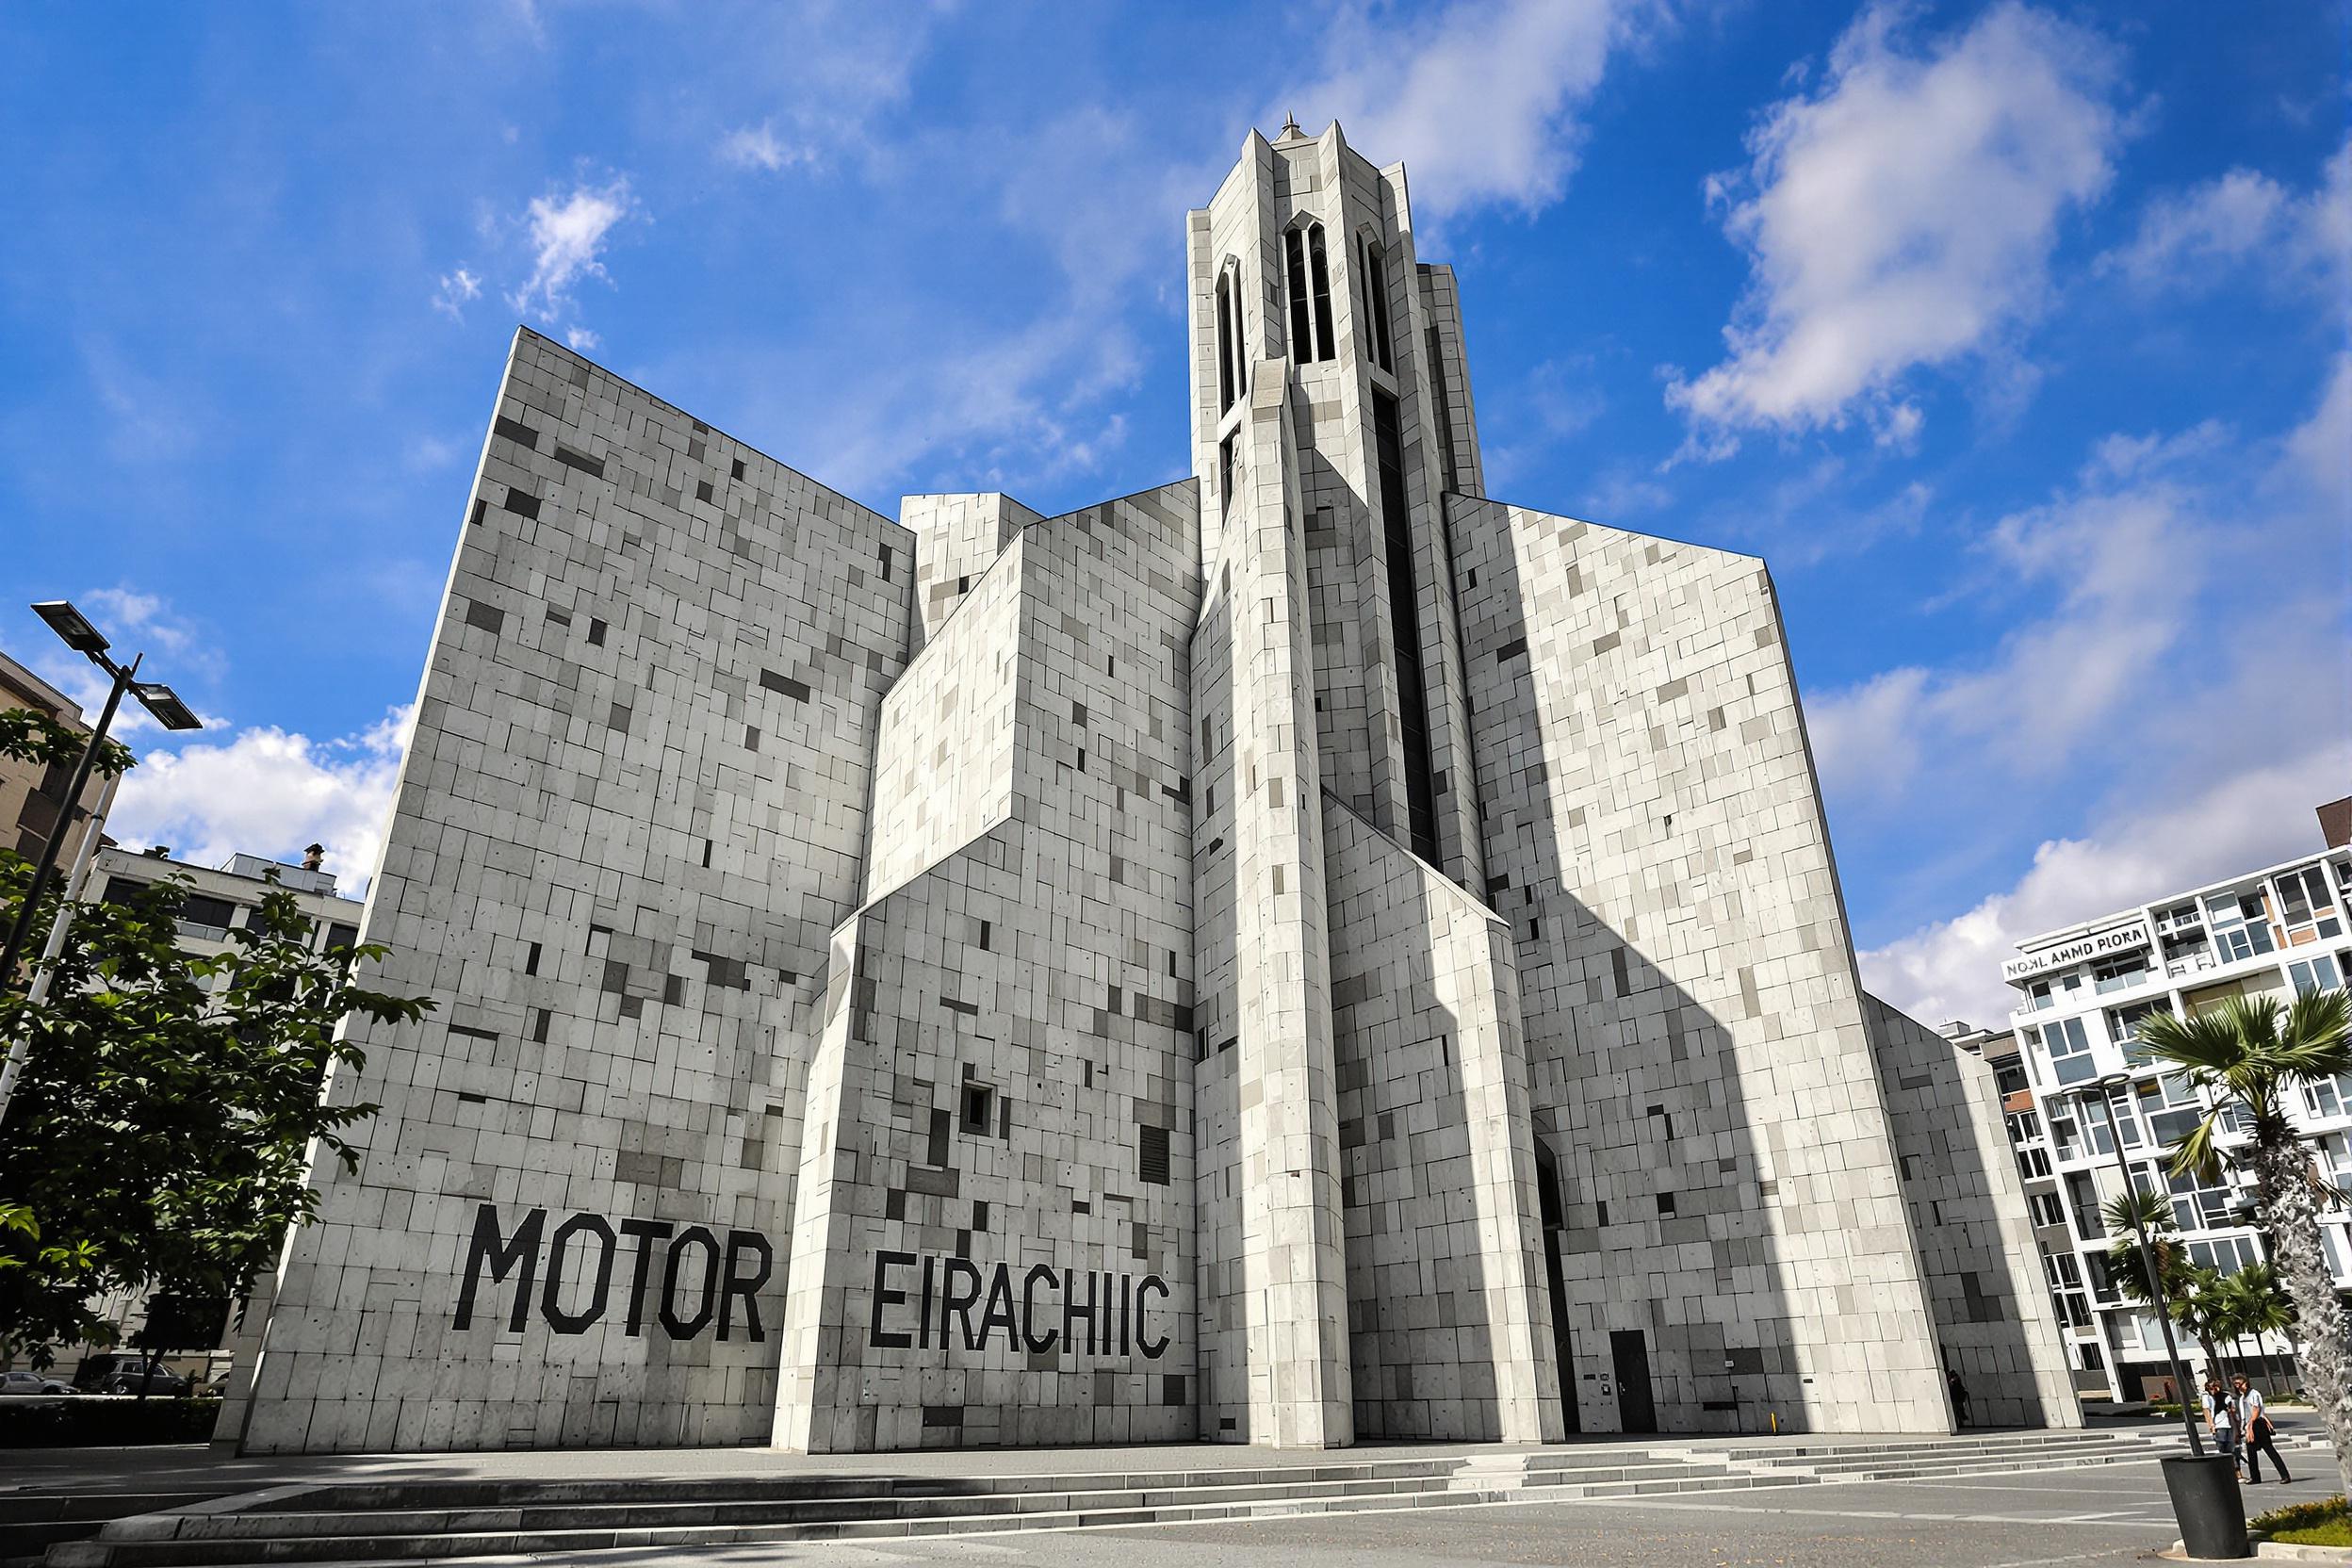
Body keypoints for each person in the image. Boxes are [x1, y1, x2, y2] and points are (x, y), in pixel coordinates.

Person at [2235, 1376, 2292, 1484]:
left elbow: (2257, 1410)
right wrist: (2244, 1427)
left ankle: (2285, 1475)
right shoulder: (2242, 1397)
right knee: (2251, 1453)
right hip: (2249, 1426)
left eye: (2239, 1383)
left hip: (2257, 1425)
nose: (2238, 1386)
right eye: (2235, 1384)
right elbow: (2243, 1414)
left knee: (2270, 1450)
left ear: (2245, 1383)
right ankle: (2255, 1477)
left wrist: (2251, 1424)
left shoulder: (2254, 1394)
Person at [2204, 1377, 2241, 1473]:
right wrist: (2211, 1426)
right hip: (2219, 1426)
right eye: (2212, 1388)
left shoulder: (2226, 1396)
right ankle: (2227, 1471)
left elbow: (2233, 1411)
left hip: (2229, 1425)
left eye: (2216, 1387)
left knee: (2233, 1450)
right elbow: (2207, 1412)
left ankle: (2236, 1472)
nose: (2215, 1390)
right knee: (2223, 1450)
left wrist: (2237, 1426)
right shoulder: (2207, 1397)